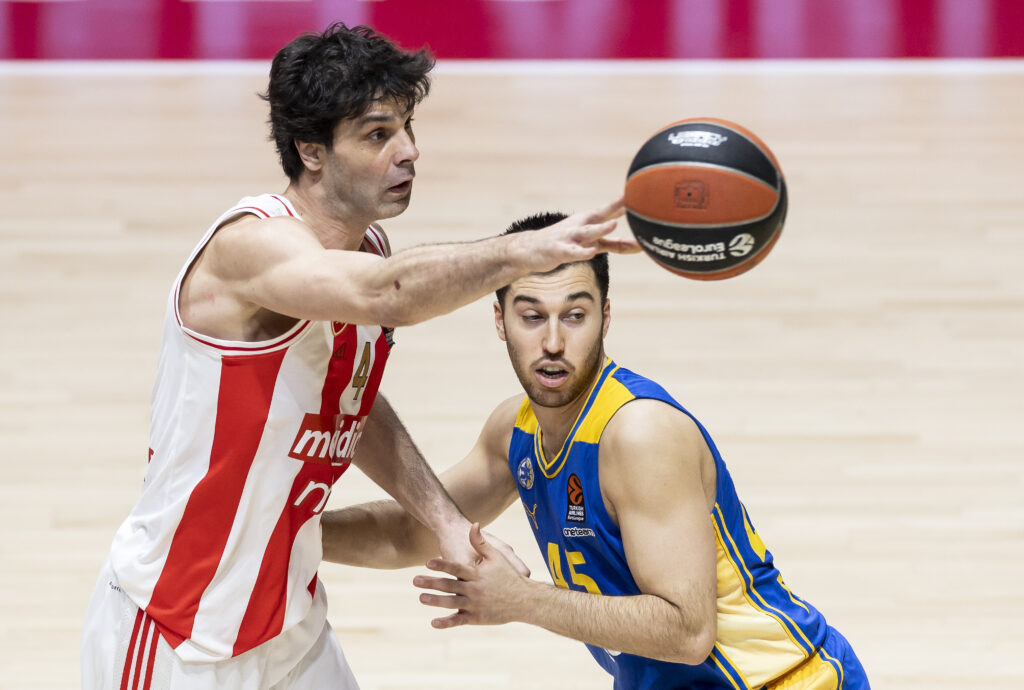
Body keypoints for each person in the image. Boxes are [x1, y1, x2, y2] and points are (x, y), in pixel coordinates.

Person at [80, 24, 637, 690]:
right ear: (311, 151)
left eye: (406, 127)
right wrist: (527, 250)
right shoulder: (250, 248)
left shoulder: (366, 247)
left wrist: (446, 523)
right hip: (178, 632)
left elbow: (350, 398)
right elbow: (391, 295)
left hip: (290, 621)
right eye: (378, 136)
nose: (408, 152)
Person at [321, 212, 870, 689]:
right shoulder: (515, 430)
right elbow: (412, 531)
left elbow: (688, 631)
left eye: (575, 315)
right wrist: (291, 535)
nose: (554, 341)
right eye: (532, 315)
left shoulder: (638, 433)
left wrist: (521, 601)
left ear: (606, 317)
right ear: (500, 321)